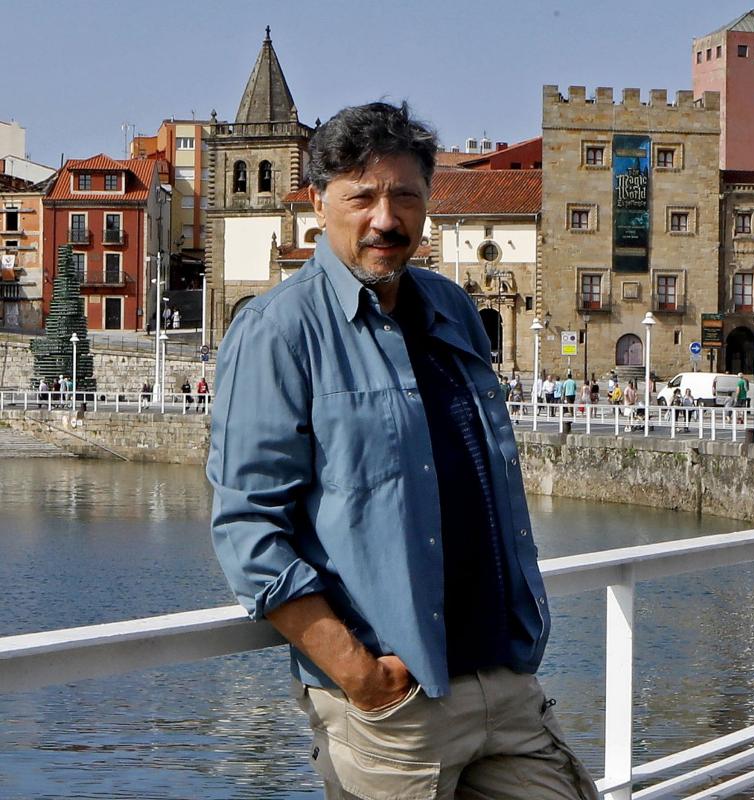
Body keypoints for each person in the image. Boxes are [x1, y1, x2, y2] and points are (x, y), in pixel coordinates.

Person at [206, 102, 595, 800]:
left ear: (426, 205)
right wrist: (360, 674)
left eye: (405, 196)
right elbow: (248, 528)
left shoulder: (451, 309)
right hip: (394, 707)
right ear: (319, 204)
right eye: (362, 196)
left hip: (504, 681)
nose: (386, 218)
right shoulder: (278, 331)